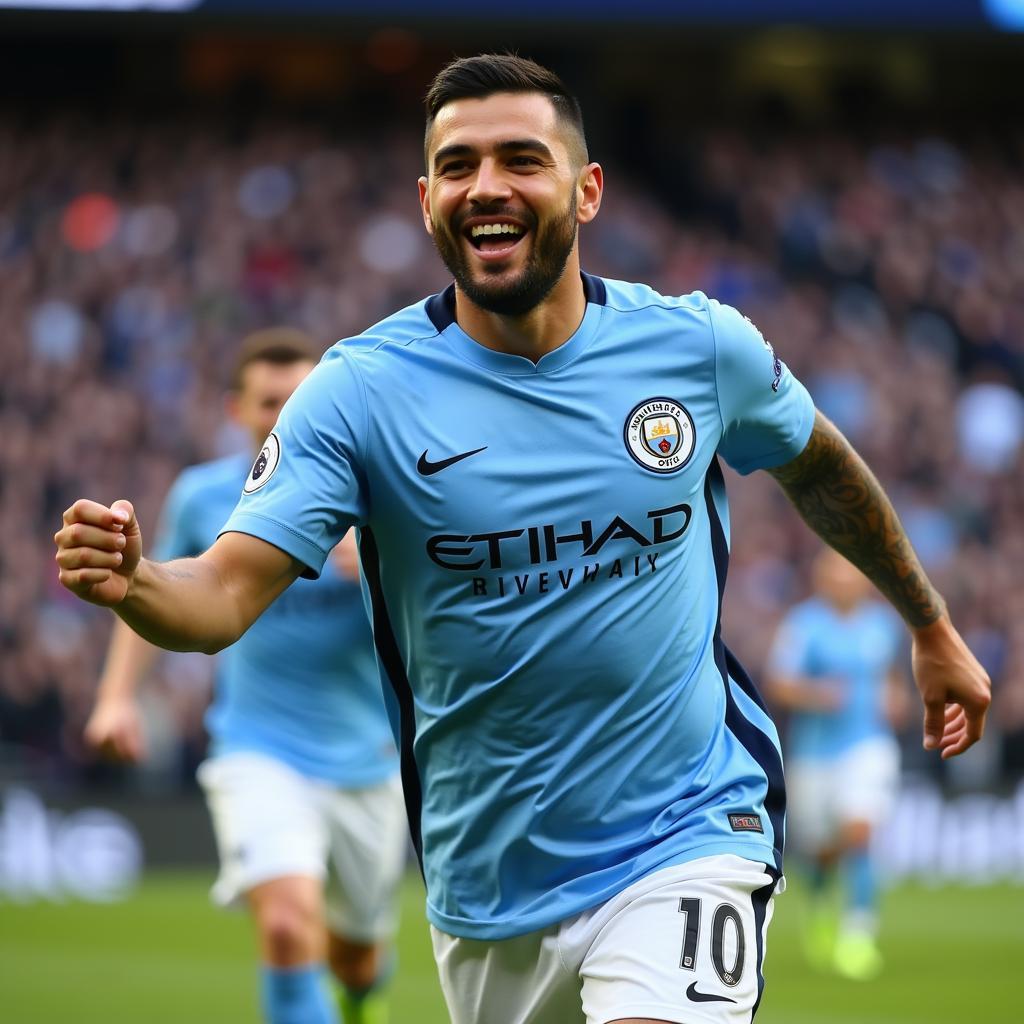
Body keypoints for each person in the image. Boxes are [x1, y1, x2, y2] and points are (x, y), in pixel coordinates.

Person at [56, 55, 991, 1024]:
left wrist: (927, 622)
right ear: (426, 201)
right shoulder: (357, 393)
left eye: (520, 159)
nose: (486, 186)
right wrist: (135, 581)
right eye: (457, 166)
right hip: (485, 876)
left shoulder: (697, 347)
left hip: (686, 825)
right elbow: (220, 597)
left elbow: (819, 464)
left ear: (585, 190)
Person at [82, 328, 406, 1024]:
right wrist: (115, 699)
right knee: (288, 928)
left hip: (370, 760)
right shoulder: (202, 498)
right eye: (269, 401)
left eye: (298, 398)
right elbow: (154, 587)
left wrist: (385, 568)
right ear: (238, 411)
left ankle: (360, 998)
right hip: (260, 748)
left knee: (357, 957)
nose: (285, 413)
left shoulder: (379, 493)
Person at [765, 547, 910, 981]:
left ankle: (857, 936)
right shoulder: (804, 625)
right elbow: (779, 684)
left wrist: (896, 699)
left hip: (868, 746)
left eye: (851, 572)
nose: (845, 581)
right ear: (822, 579)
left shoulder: (882, 625)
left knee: (860, 831)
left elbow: (893, 677)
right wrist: (817, 693)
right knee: (823, 849)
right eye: (835, 573)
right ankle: (819, 904)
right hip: (814, 755)